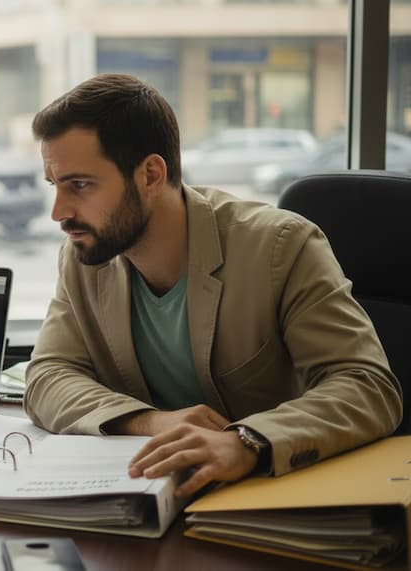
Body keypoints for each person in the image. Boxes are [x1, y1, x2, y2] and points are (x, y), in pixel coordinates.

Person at [24, 73, 402, 499]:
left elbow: (367, 386)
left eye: (79, 185)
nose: (59, 212)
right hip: (152, 492)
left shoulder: (280, 247)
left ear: (150, 175)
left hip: (268, 497)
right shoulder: (83, 256)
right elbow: (48, 377)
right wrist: (149, 422)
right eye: (54, 185)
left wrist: (247, 440)